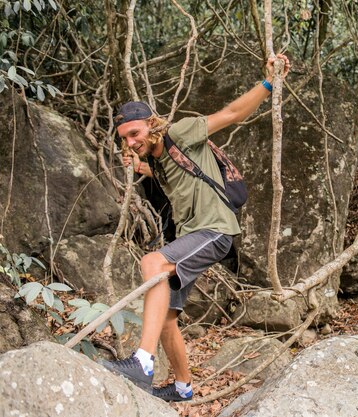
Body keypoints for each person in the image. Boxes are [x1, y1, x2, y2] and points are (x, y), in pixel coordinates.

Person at [102, 54, 290, 402]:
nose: (130, 142)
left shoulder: (179, 132)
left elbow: (231, 114)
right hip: (194, 236)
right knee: (167, 317)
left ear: (151, 124)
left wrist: (268, 83)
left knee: (152, 263)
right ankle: (183, 387)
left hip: (215, 230)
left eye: (134, 133)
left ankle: (142, 364)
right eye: (124, 139)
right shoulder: (158, 160)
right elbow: (171, 176)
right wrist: (142, 166)